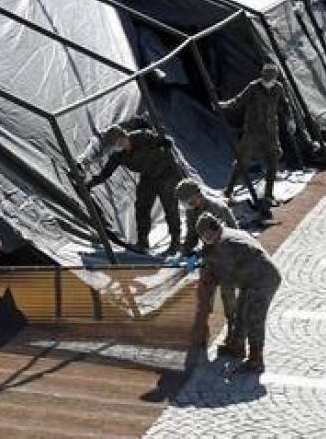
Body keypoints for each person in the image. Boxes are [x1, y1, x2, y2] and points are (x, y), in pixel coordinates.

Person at [195, 213, 281, 373]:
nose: (202, 240)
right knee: (242, 311)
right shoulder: (223, 234)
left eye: (203, 236)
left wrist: (228, 315)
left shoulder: (225, 244)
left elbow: (227, 286)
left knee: (254, 317)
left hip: (263, 280)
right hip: (249, 279)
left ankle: (256, 359)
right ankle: (237, 346)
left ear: (210, 231)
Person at [85, 126, 185, 254]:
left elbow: (166, 142)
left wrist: (164, 143)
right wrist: (90, 184)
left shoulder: (142, 137)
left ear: (124, 136)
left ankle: (175, 243)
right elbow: (106, 173)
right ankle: (142, 243)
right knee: (142, 206)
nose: (119, 146)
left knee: (170, 207)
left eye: (120, 142)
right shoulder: (118, 155)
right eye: (116, 145)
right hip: (148, 177)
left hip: (166, 174)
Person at [174, 178, 239, 352]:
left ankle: (234, 336)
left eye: (188, 201)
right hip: (209, 261)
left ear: (197, 196)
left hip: (227, 259)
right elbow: (191, 236)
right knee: (203, 297)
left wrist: (200, 255)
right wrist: (184, 253)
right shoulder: (192, 212)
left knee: (229, 299)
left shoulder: (218, 209)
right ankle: (201, 335)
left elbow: (223, 239)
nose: (187, 205)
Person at [221, 63, 288, 208]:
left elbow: (285, 106)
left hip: (271, 131)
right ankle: (228, 191)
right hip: (253, 131)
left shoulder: (278, 88)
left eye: (270, 79)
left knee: (273, 160)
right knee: (242, 161)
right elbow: (238, 101)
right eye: (266, 78)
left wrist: (291, 121)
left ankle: (269, 194)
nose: (268, 81)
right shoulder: (253, 87)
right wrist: (223, 105)